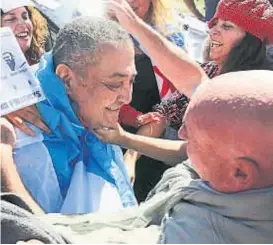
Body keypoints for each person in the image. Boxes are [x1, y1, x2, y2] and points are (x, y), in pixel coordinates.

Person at [2, 70, 273, 244]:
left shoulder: (199, 235)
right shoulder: (242, 180)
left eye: (192, 138)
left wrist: (4, 158)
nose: (179, 136)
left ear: (239, 173)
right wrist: (125, 141)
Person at [1, 16, 137, 214]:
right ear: (66, 79)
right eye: (114, 84)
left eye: (132, 81)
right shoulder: (22, 135)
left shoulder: (96, 118)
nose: (127, 97)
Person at [106, 0, 273, 149]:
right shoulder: (210, 70)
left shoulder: (257, 90)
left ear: (250, 40)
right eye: (215, 23)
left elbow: (189, 152)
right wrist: (131, 154)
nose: (212, 30)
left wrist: (127, 141)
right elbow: (163, 115)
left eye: (227, 26)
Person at [116, 0, 187, 201]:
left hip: (153, 139)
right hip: (110, 131)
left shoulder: (169, 36)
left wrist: (131, 156)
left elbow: (171, 105)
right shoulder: (100, 34)